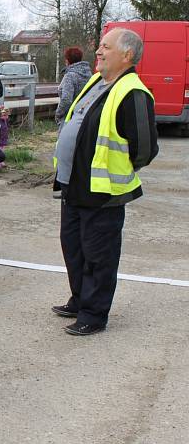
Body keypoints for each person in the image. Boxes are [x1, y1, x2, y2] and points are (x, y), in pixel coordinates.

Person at [52, 27, 158, 336]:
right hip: (74, 185)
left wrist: (113, 168)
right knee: (73, 247)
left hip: (103, 191)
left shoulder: (133, 92)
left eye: (106, 47)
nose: (98, 51)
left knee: (99, 255)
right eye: (100, 46)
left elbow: (144, 149)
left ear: (126, 55)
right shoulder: (99, 82)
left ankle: (94, 314)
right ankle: (80, 299)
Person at [55, 47, 93, 128]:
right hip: (85, 115)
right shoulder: (89, 74)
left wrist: (58, 114)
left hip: (69, 117)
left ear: (67, 60)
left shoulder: (70, 76)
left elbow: (66, 99)